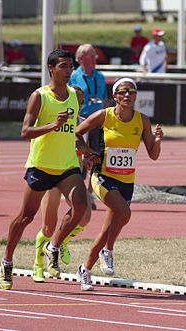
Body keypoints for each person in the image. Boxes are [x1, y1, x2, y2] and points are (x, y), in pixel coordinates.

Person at [0, 49, 99, 290]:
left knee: (82, 207)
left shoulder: (75, 96)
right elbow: (24, 132)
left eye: (70, 66)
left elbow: (73, 130)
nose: (68, 71)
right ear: (51, 69)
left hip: (67, 166)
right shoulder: (39, 96)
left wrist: (85, 150)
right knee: (25, 218)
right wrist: (54, 125)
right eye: (63, 66)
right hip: (41, 166)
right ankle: (7, 262)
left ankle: (53, 246)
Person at [75, 77, 163, 291]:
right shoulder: (104, 115)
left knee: (107, 229)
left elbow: (153, 155)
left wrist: (158, 140)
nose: (127, 95)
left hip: (126, 181)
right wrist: (85, 152)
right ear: (114, 96)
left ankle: (85, 269)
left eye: (131, 92)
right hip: (102, 176)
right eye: (122, 92)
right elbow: (76, 132)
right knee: (124, 214)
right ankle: (109, 251)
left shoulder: (142, 120)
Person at [33, 85, 92, 283]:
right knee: (48, 227)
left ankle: (62, 240)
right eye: (78, 99)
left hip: (71, 175)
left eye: (82, 101)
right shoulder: (56, 118)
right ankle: (38, 265)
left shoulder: (83, 124)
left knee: (84, 216)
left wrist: (87, 157)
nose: (80, 103)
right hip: (51, 173)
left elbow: (82, 148)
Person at [69, 44, 107, 210]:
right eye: (91, 56)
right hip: (81, 123)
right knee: (80, 160)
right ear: (80, 59)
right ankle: (76, 193)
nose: (94, 59)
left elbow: (104, 100)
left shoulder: (100, 77)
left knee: (97, 158)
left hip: (98, 123)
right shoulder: (73, 76)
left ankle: (89, 193)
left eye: (95, 56)